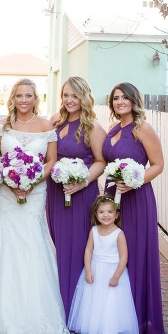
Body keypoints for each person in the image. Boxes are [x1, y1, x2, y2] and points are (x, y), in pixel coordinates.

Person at [0, 78, 72, 334]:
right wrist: (9, 181)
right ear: (13, 98)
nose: (24, 100)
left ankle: (35, 313)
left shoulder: (47, 126)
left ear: (36, 98)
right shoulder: (2, 125)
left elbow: (52, 161)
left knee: (32, 242)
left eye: (29, 95)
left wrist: (32, 181)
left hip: (35, 194)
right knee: (4, 242)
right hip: (5, 193)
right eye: (19, 95)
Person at [103, 82, 165, 334]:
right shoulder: (112, 128)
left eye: (124, 98)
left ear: (133, 100)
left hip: (136, 198)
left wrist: (133, 181)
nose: (120, 102)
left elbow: (158, 165)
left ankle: (139, 319)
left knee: (135, 254)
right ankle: (115, 316)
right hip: (112, 199)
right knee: (112, 255)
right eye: (115, 98)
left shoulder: (143, 129)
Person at [47, 76, 107, 318]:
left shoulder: (92, 127)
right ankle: (57, 302)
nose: (69, 100)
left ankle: (75, 306)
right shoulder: (55, 122)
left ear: (84, 97)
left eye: (75, 95)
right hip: (55, 193)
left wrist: (81, 183)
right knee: (56, 244)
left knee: (77, 246)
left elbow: (101, 162)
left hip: (82, 194)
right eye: (65, 95)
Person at [67, 194, 139, 334]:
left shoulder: (119, 234)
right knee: (94, 299)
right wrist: (88, 270)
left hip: (113, 271)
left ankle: (108, 330)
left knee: (110, 301)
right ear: (96, 214)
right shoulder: (94, 231)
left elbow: (124, 257)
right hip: (96, 269)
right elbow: (88, 250)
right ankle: (93, 327)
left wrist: (116, 276)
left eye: (109, 212)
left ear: (116, 214)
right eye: (101, 212)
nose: (105, 215)